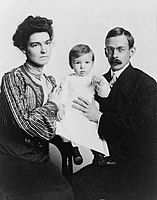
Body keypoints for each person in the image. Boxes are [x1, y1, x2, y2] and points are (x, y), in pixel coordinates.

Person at [68, 27, 157, 200]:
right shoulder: (94, 82)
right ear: (105, 52)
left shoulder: (146, 84)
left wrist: (100, 118)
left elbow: (142, 127)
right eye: (110, 50)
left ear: (132, 51)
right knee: (69, 188)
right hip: (104, 166)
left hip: (136, 171)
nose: (115, 55)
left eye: (121, 49)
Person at [0, 15, 74, 200]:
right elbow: (25, 123)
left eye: (47, 43)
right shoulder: (13, 78)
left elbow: (58, 122)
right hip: (12, 160)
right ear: (24, 48)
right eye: (35, 45)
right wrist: (52, 105)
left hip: (40, 159)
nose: (43, 50)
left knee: (65, 194)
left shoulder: (51, 82)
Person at [56, 44, 110, 165]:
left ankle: (98, 154)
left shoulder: (94, 79)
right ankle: (74, 149)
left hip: (88, 111)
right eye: (77, 63)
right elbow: (62, 95)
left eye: (86, 62)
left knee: (95, 129)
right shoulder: (68, 79)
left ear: (92, 63)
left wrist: (101, 84)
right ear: (71, 64)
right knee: (64, 123)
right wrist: (61, 107)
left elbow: (104, 94)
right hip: (72, 109)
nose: (82, 67)